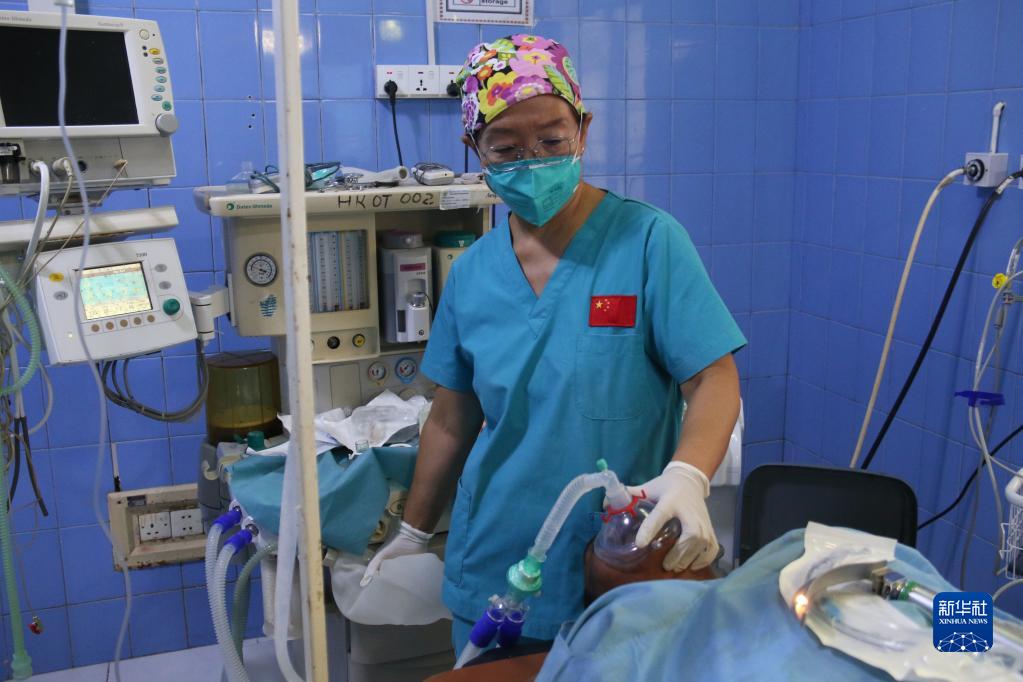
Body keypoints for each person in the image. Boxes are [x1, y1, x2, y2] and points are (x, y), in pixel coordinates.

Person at [362, 33, 745, 655]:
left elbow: (712, 376)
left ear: (583, 131)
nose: (532, 161)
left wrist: (688, 475)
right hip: (496, 555)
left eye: (551, 140)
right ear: (474, 149)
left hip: (621, 558)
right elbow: (452, 421)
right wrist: (413, 529)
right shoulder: (473, 273)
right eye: (506, 148)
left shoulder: (649, 242)